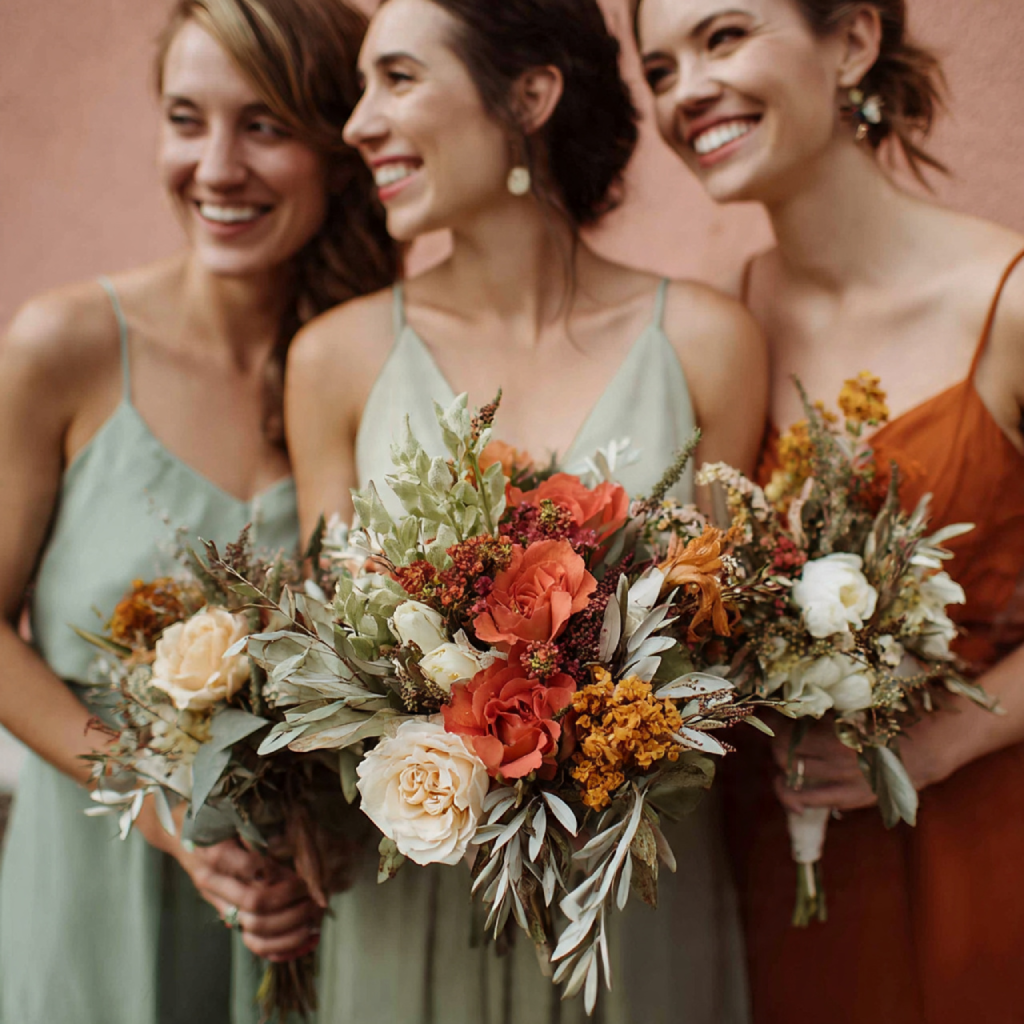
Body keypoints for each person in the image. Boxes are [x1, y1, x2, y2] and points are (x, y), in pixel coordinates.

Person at [285, 0, 767, 1021]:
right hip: (412, 892)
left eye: (400, 79)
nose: (360, 122)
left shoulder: (710, 342)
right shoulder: (336, 359)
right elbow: (318, 652)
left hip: (630, 896)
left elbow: (730, 646)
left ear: (530, 95)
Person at [0, 0, 396, 1020]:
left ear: (340, 149)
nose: (216, 167)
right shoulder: (64, 347)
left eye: (263, 125)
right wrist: (171, 819)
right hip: (97, 886)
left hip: (316, 901)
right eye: (186, 118)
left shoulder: (378, 373)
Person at [636, 0, 1024, 1020]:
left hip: (983, 842)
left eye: (722, 37)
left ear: (851, 38)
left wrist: (928, 746)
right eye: (659, 69)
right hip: (780, 860)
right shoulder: (724, 321)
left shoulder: (1010, 301)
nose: (686, 92)